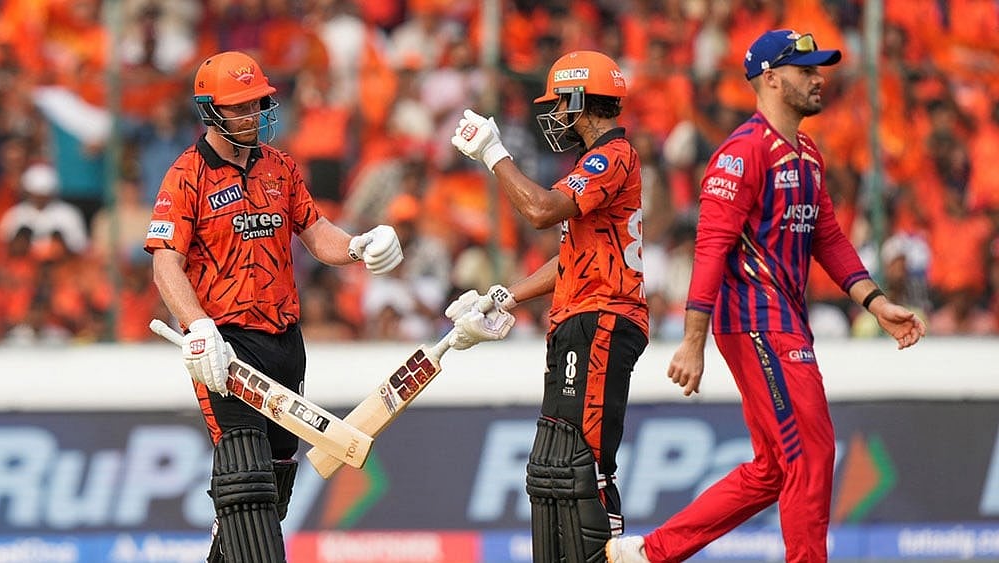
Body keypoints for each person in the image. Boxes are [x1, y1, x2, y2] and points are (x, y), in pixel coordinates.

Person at [604, 30, 927, 563]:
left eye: (819, 69)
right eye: (806, 71)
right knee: (812, 449)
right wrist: (692, 343)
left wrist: (875, 302)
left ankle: (650, 554)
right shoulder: (742, 153)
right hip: (754, 322)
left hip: (784, 322)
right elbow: (710, 248)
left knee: (775, 466)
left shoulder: (808, 153)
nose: (819, 79)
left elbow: (826, 236)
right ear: (771, 79)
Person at [143, 50, 402, 563]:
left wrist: (358, 245)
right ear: (210, 110)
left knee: (274, 486)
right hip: (225, 347)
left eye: (257, 104)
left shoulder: (279, 166)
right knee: (247, 481)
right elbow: (165, 262)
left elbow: (317, 232)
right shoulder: (186, 175)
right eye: (240, 107)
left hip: (286, 342)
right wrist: (198, 328)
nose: (253, 115)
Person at [448, 50, 649, 563]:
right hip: (581, 315)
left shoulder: (611, 156)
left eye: (560, 101)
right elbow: (570, 261)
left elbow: (540, 211)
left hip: (603, 318)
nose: (555, 113)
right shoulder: (592, 163)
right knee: (556, 462)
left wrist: (495, 154)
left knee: (585, 464)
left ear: (581, 99)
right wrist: (504, 296)